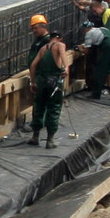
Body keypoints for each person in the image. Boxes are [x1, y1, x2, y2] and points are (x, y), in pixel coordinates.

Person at [25, 14, 66, 146]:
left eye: (35, 28)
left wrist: (33, 81)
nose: (34, 31)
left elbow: (32, 65)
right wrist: (66, 69)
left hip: (41, 81)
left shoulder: (44, 47)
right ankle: (50, 140)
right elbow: (64, 60)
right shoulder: (59, 45)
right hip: (54, 82)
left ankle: (35, 137)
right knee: (53, 108)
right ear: (59, 38)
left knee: (38, 107)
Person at [81, 23, 110, 101]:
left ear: (86, 29)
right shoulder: (102, 29)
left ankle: (96, 93)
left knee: (100, 69)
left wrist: (79, 49)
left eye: (83, 30)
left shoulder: (88, 34)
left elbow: (87, 51)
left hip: (108, 45)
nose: (83, 32)